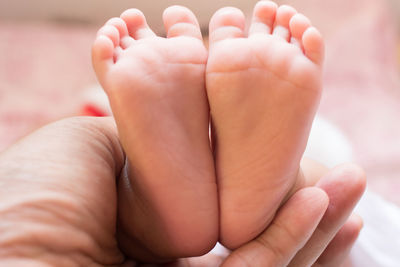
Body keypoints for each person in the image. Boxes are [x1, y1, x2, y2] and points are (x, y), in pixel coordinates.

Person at [91, 1, 366, 263]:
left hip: (151, 238)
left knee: (115, 189)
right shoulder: (297, 107)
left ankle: (154, 212)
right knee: (319, 187)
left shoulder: (108, 104)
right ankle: (277, 198)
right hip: (302, 236)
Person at [0, 116, 365, 266]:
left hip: (124, 216)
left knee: (130, 198)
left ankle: (153, 216)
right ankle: (278, 190)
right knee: (320, 174)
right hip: (300, 228)